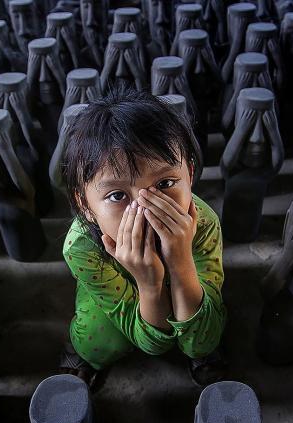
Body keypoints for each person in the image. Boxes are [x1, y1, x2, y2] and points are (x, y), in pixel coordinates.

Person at [59, 87, 227, 390]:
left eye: (164, 184)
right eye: (117, 195)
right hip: (117, 289)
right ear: (85, 206)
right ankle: (82, 353)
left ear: (189, 175)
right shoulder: (82, 246)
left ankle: (196, 342)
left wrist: (180, 262)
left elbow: (200, 329)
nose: (145, 210)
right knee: (98, 341)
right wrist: (149, 284)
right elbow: (153, 345)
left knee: (202, 338)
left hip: (185, 278)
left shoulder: (203, 224)